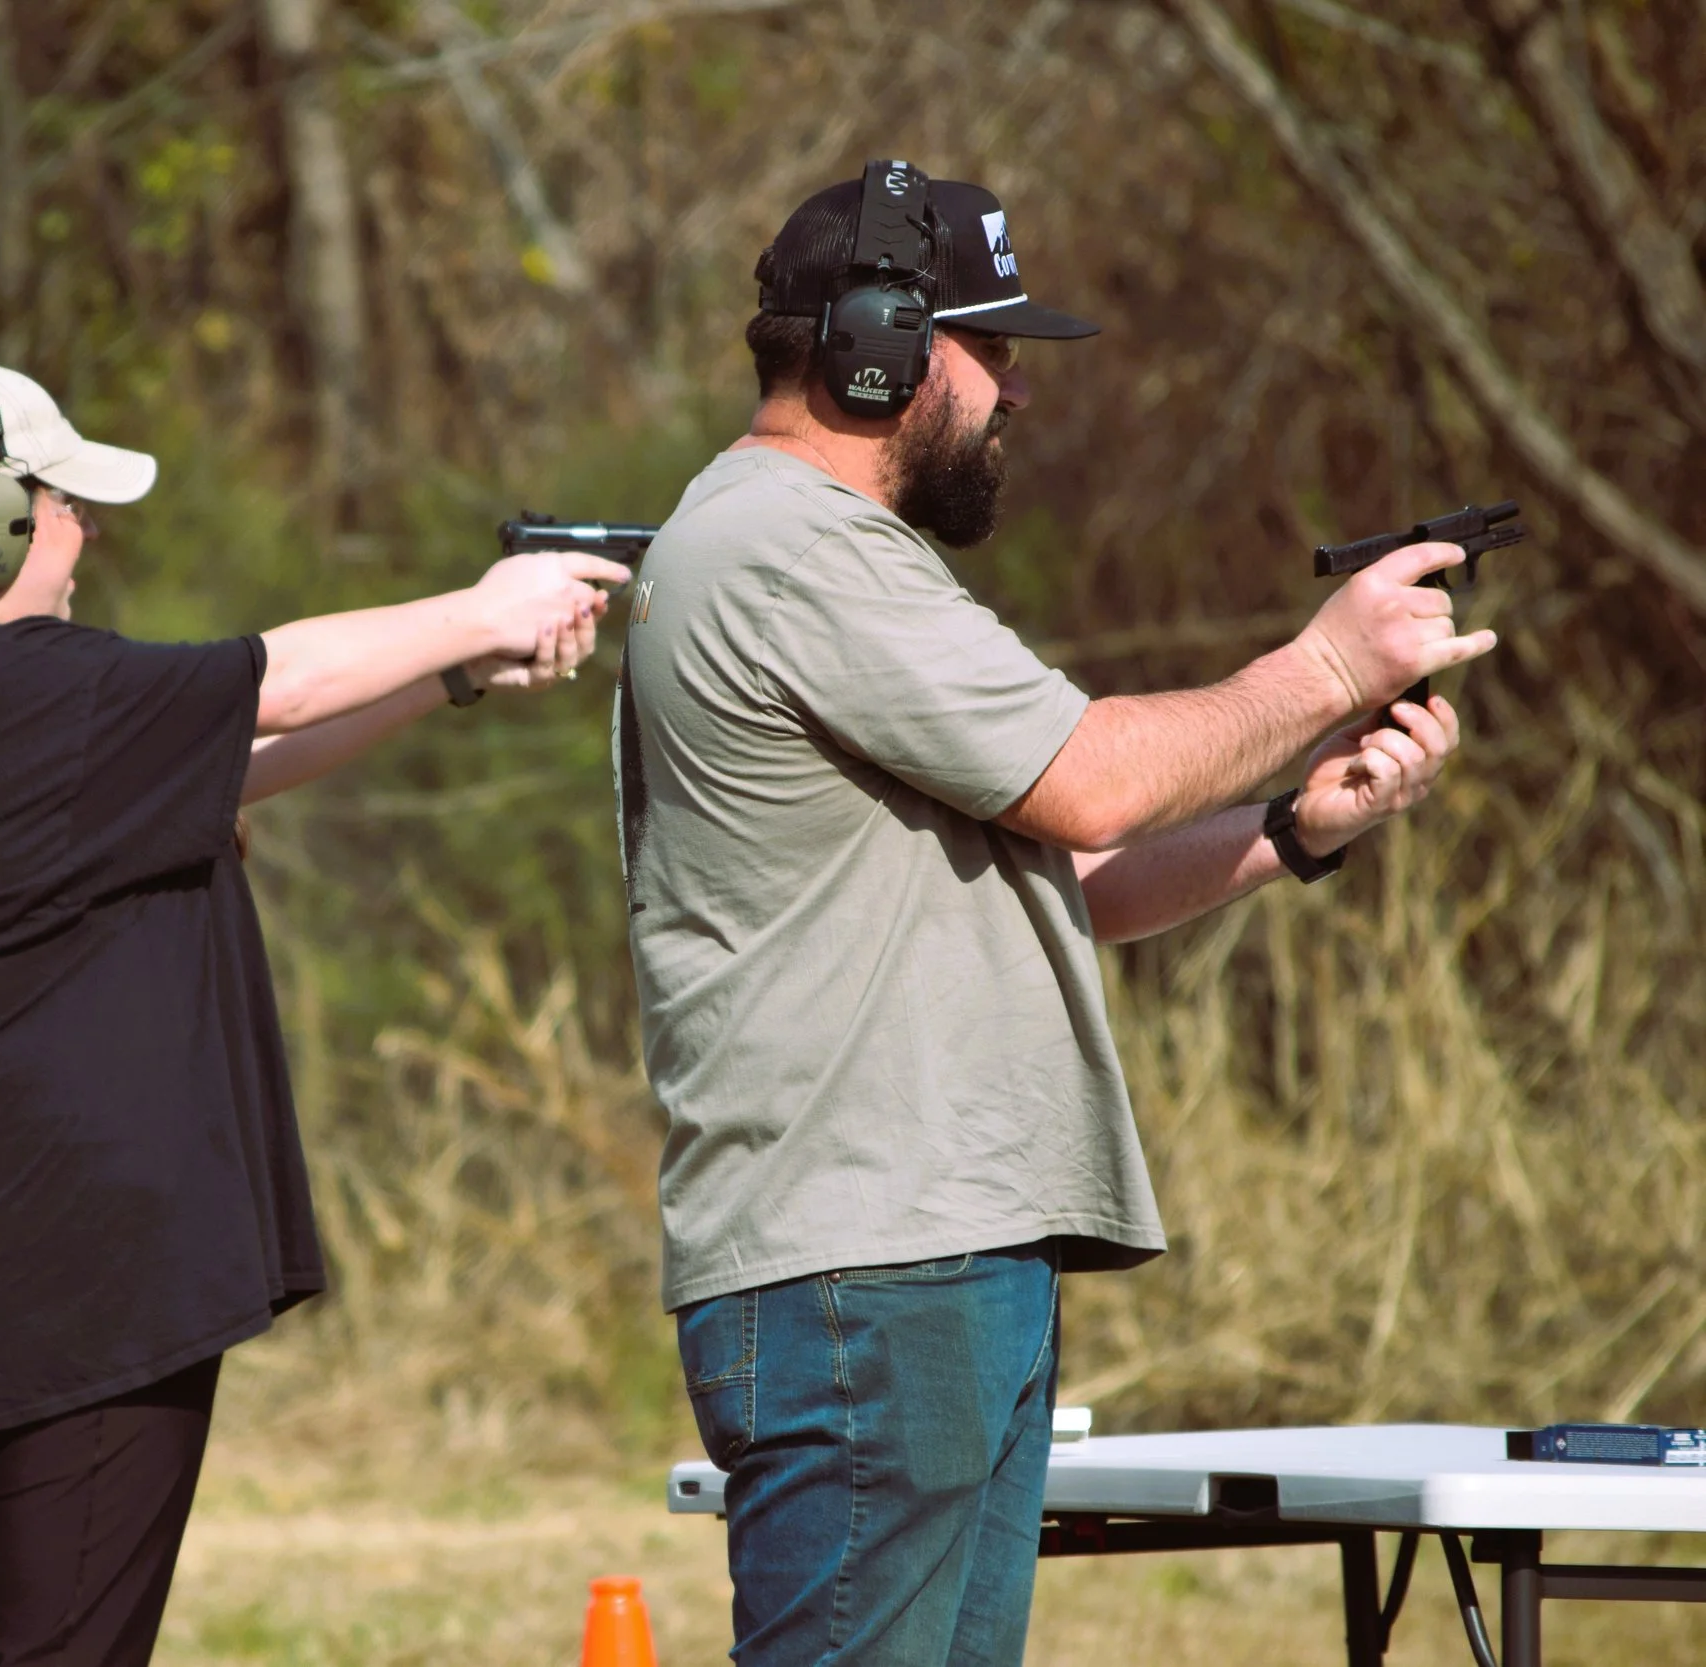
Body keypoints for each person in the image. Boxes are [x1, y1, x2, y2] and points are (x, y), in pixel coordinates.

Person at [616, 170, 1495, 1665]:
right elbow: (1092, 782)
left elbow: (1059, 879)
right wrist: (1327, 667)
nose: (1016, 388)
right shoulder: (791, 550)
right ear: (876, 346)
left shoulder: (827, 561)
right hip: (872, 1276)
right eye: (991, 345)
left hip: (929, 1265)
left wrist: (1293, 827)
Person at [0, 354, 630, 1667]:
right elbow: (267, 682)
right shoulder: (2, 695)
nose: (86, 532)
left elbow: (231, 751)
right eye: (64, 502)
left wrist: (446, 672)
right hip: (74, 1315)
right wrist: (478, 607)